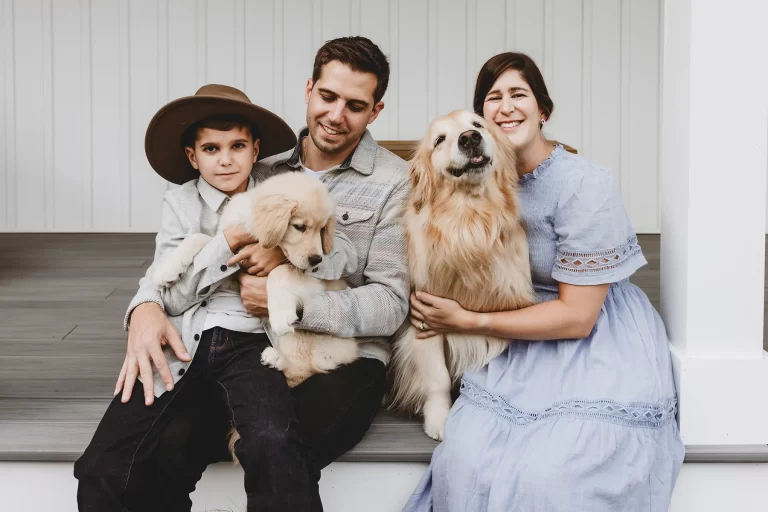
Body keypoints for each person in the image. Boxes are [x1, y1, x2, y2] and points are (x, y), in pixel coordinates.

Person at [78, 36, 410, 512]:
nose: (337, 115)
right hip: (248, 345)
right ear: (309, 90)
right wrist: (144, 308)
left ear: (375, 111)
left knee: (277, 446)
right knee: (160, 448)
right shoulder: (259, 170)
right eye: (328, 97)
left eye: (355, 105)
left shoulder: (395, 183)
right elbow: (182, 255)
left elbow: (391, 303)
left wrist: (290, 303)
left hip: (342, 356)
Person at [403, 52, 684, 511]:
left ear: (543, 110)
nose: (506, 106)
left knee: (555, 472)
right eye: (493, 98)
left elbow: (577, 318)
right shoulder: (481, 178)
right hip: (517, 334)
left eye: (519, 94)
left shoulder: (584, 184)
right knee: (467, 457)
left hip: (590, 336)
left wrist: (469, 320)